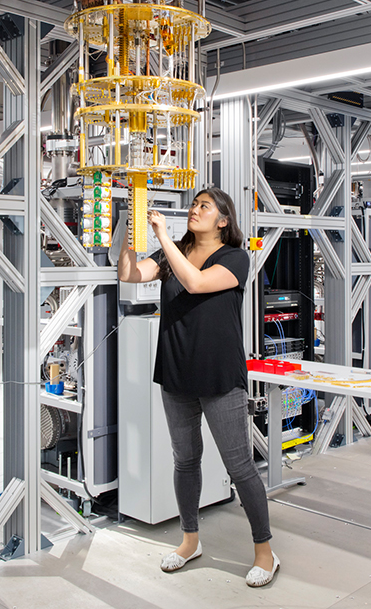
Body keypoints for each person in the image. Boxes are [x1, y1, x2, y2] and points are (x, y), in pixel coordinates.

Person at [118, 187, 280, 588]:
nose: (194, 210)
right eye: (194, 205)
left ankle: (265, 552)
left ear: (223, 221)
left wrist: (162, 237)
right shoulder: (172, 254)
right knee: (185, 459)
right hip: (176, 372)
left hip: (218, 374)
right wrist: (127, 230)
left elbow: (194, 283)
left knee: (239, 465)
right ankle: (190, 540)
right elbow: (129, 274)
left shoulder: (235, 258)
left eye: (203, 206)